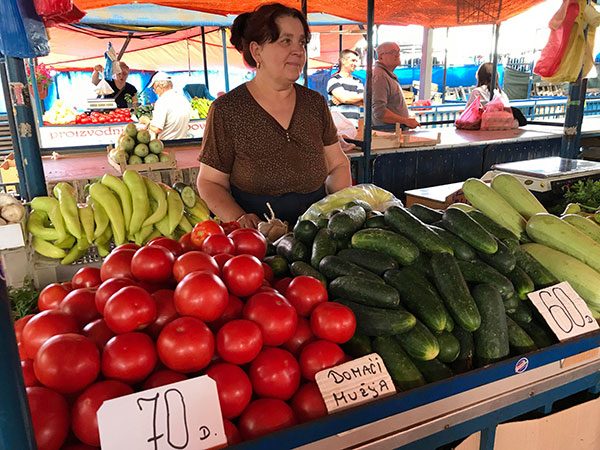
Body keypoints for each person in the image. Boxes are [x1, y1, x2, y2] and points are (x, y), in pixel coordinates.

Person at [197, 3, 351, 228]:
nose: (298, 50)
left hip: (318, 237)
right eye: (285, 41)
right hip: (255, 244)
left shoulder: (314, 104)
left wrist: (337, 208)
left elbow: (338, 164)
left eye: (301, 42)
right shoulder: (228, 110)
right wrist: (240, 219)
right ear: (257, 51)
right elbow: (210, 182)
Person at [372, 42, 420, 129]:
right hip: (387, 135)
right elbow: (380, 112)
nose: (397, 55)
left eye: (398, 52)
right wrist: (405, 120)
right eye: (393, 52)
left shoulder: (385, 75)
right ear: (380, 57)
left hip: (392, 133)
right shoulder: (380, 77)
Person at [146, 72, 192, 141]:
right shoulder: (183, 99)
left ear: (159, 86)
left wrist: (146, 122)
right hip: (182, 143)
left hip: (167, 144)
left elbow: (157, 129)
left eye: (154, 88)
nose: (155, 92)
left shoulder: (162, 101)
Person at [327, 49, 364, 126]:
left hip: (354, 126)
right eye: (353, 60)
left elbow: (364, 102)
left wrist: (343, 100)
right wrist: (346, 99)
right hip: (337, 127)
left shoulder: (358, 81)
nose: (355, 64)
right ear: (343, 61)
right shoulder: (334, 80)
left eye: (356, 61)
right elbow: (345, 98)